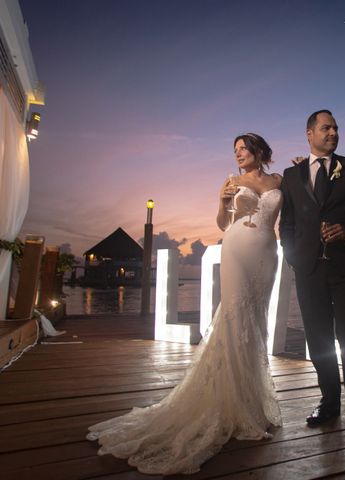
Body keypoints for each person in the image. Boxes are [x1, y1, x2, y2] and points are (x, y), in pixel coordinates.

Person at [87, 133, 283, 475]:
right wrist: (224, 203)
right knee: (235, 319)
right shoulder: (231, 182)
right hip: (236, 247)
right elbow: (222, 224)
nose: (238, 154)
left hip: (267, 251)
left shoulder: (279, 181)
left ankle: (251, 401)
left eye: (243, 148)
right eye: (234, 150)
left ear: (259, 151)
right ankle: (231, 404)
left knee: (257, 322)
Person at [279, 110, 345, 436]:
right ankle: (329, 402)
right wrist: (294, 257)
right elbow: (288, 224)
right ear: (310, 133)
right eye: (326, 128)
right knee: (318, 339)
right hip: (308, 270)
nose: (333, 133)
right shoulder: (291, 175)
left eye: (336, 128)